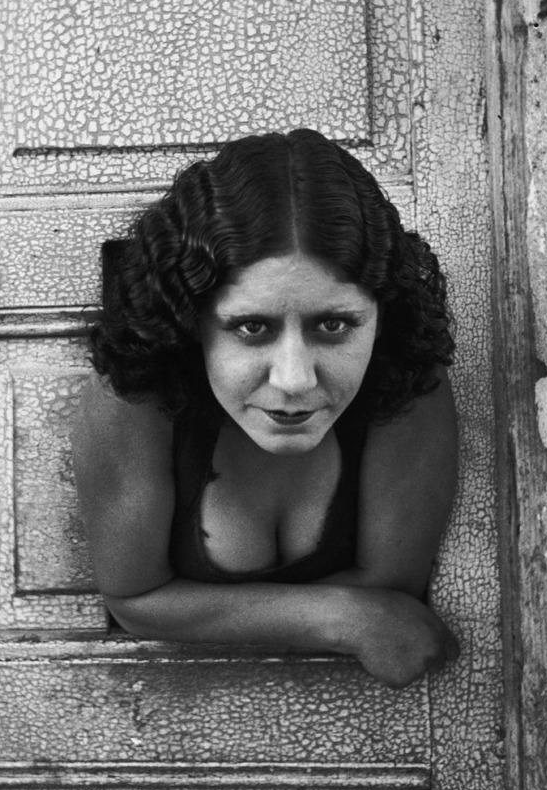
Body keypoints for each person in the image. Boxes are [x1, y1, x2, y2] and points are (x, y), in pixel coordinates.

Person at [74, 128, 460, 689]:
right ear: (192, 319)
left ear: (381, 316)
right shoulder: (135, 397)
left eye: (335, 324)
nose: (295, 380)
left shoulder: (406, 384)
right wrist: (342, 618)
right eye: (252, 327)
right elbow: (134, 597)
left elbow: (391, 585)